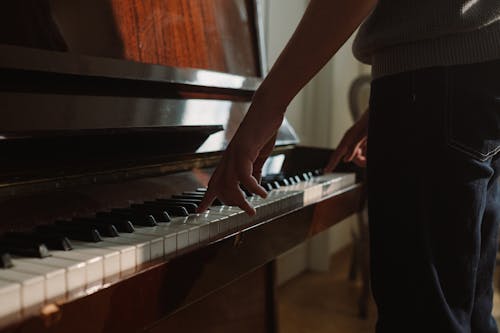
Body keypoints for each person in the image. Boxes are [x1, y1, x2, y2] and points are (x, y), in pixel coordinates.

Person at [198, 1, 500, 332]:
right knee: (470, 311)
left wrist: (266, 107)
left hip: (432, 84)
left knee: (423, 320)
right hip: (475, 82)